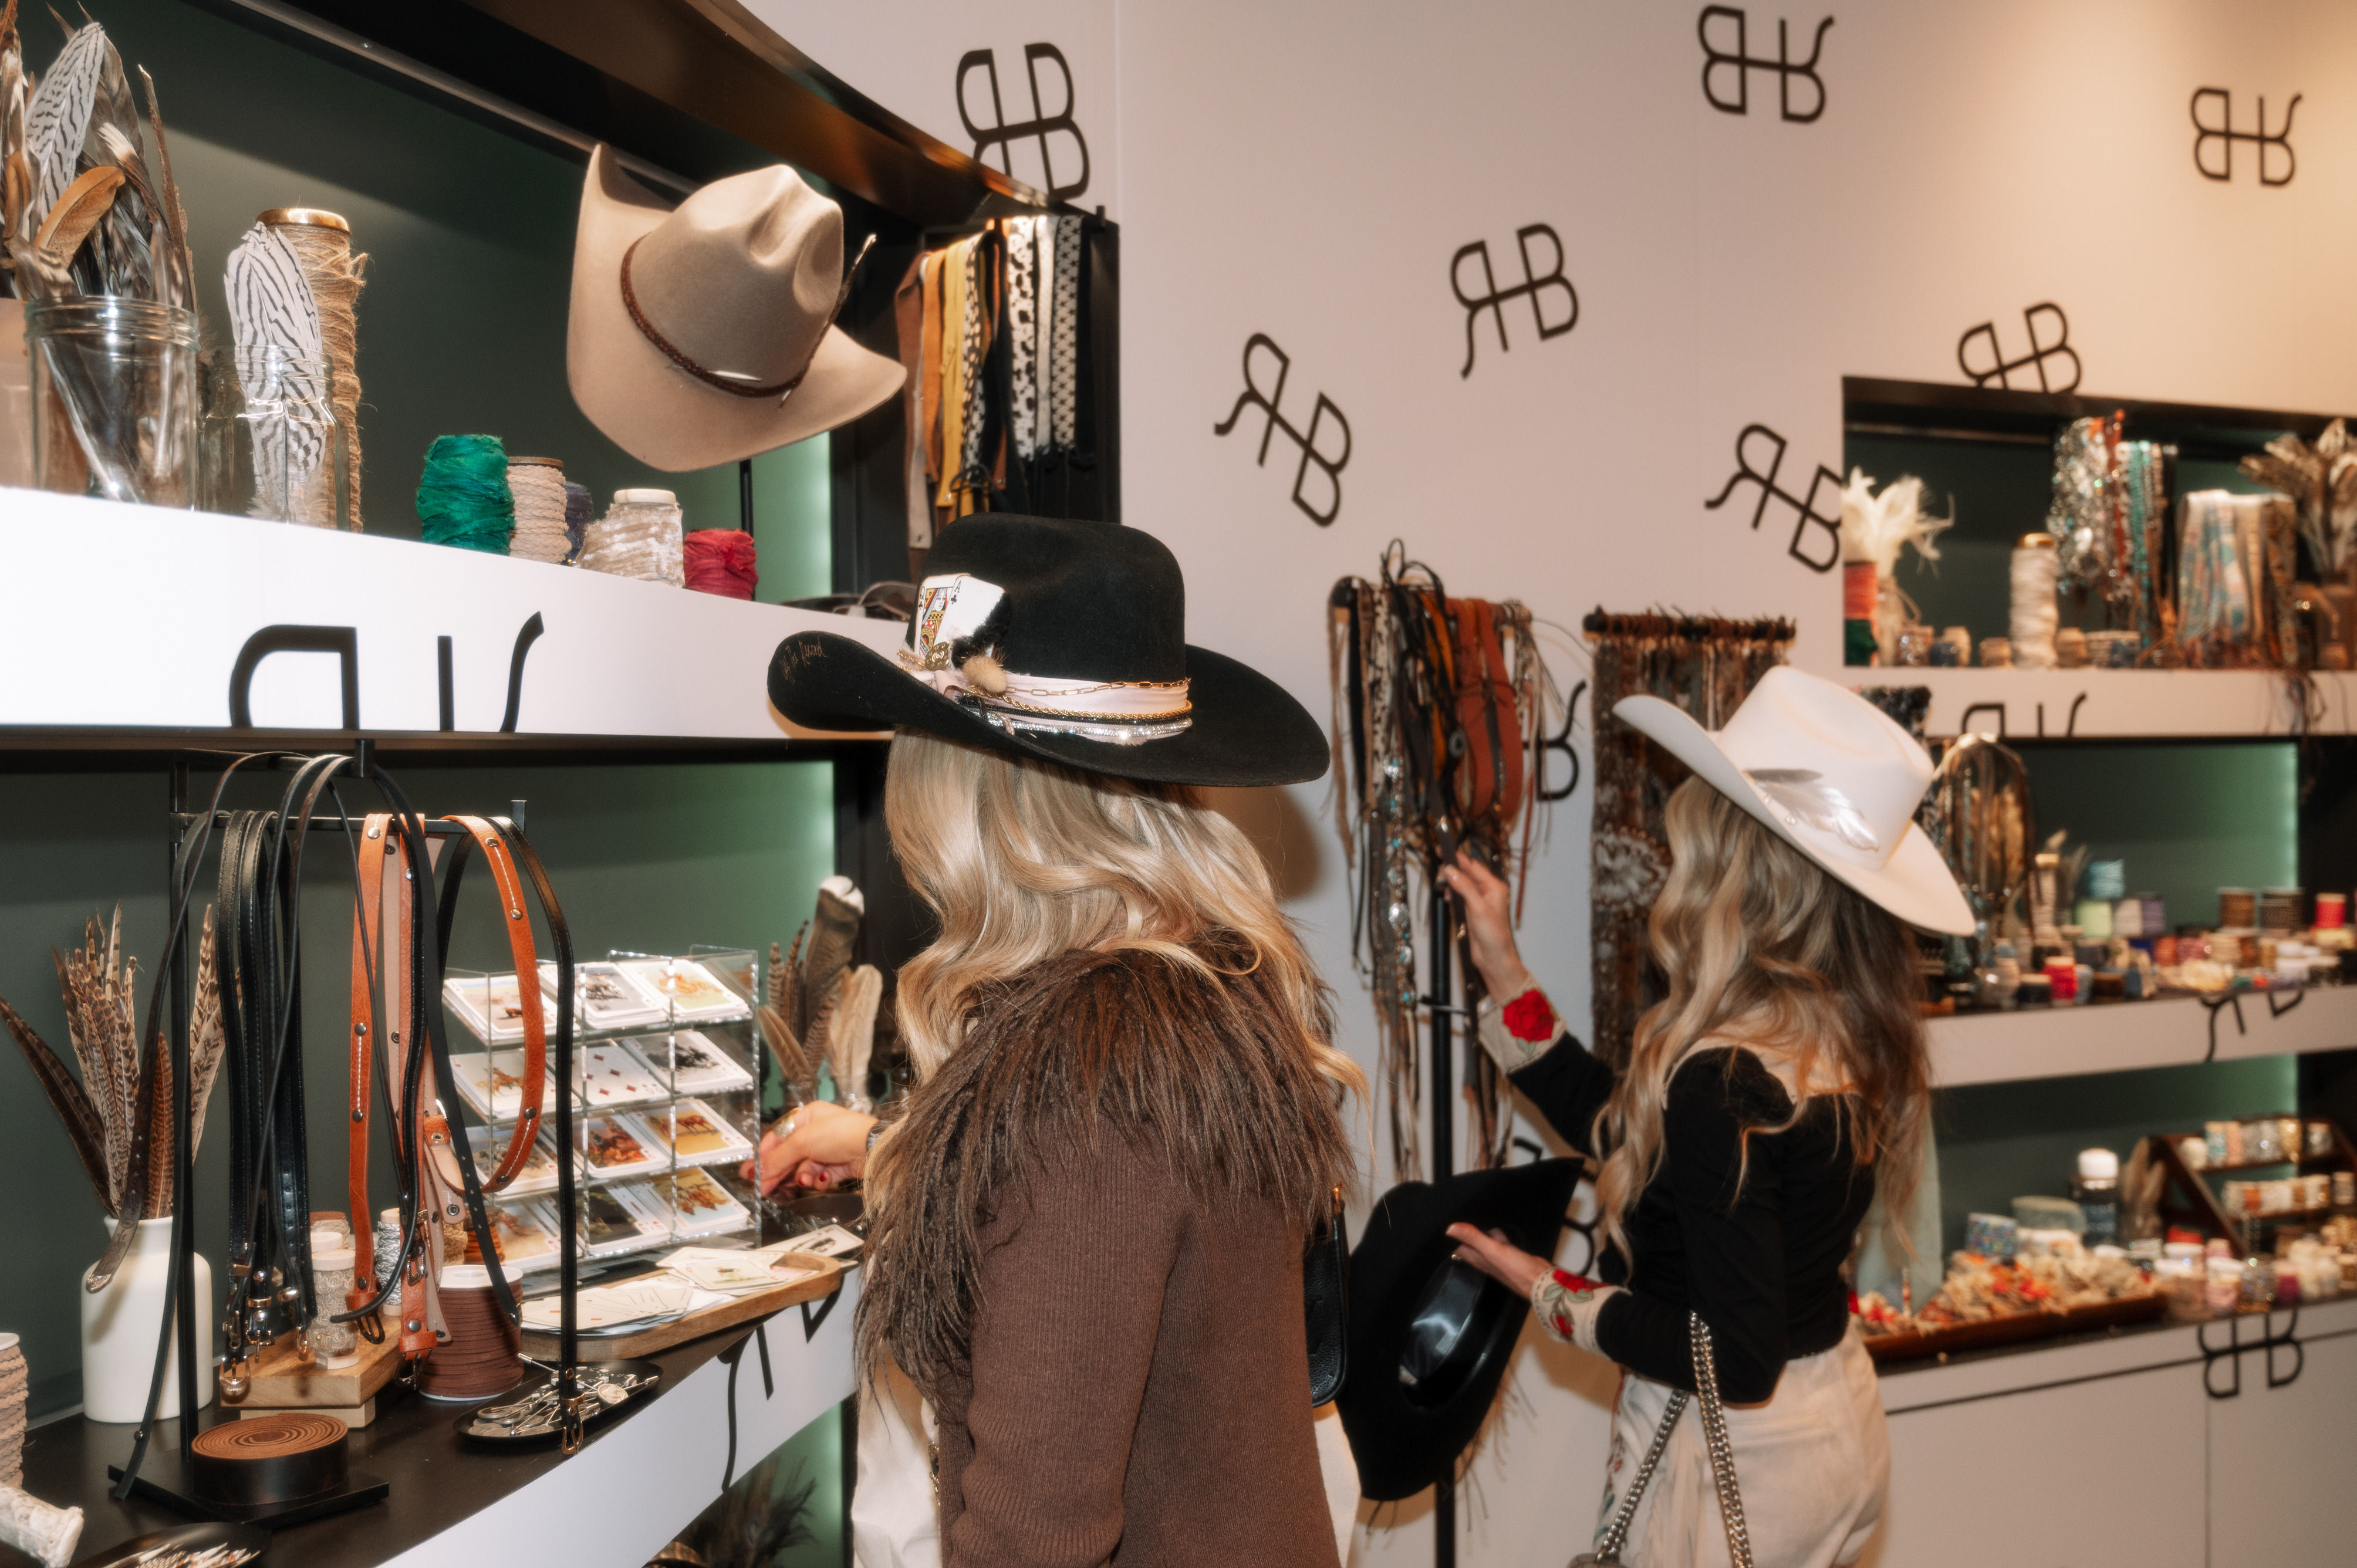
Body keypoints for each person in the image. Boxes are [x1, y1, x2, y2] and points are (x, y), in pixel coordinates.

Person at [757, 515, 1360, 1568]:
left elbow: (1033, 1539)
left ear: (964, 797)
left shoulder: (1086, 1078)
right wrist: (895, 1143)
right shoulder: (1201, 988)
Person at [1441, 668, 1972, 1567]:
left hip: (1739, 1457)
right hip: (1834, 1424)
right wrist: (1506, 975)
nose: (1672, 870)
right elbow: (1641, 1148)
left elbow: (1736, 1355)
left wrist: (1548, 1292)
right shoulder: (1841, 1030)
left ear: (1737, 876)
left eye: (1690, 846)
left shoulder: (1722, 1074)